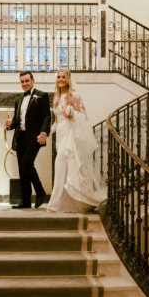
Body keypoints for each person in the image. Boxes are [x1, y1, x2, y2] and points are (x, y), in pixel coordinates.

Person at [47, 69, 106, 213]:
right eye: (58, 77)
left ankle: (54, 204)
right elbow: (56, 121)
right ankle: (62, 203)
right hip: (60, 135)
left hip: (70, 134)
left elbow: (83, 115)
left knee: (64, 165)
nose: (60, 79)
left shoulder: (74, 96)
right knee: (61, 167)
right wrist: (48, 133)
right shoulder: (56, 98)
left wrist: (72, 112)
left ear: (68, 79)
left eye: (63, 77)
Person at [5, 71, 51, 209]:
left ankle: (40, 192)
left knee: (26, 164)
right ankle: (25, 201)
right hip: (21, 138)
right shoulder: (18, 100)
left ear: (33, 81)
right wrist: (10, 125)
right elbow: (18, 121)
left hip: (34, 137)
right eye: (22, 81)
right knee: (22, 168)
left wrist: (44, 132)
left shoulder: (42, 96)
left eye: (27, 81)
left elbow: (47, 116)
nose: (24, 84)